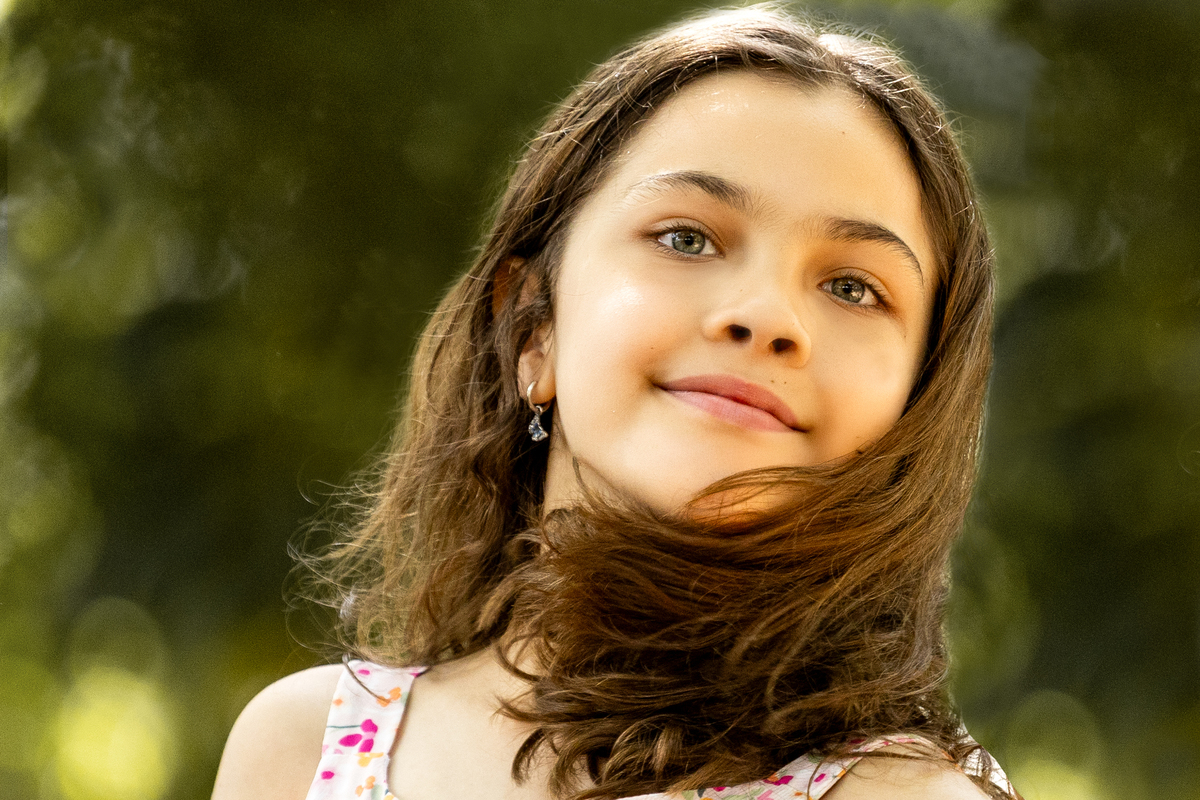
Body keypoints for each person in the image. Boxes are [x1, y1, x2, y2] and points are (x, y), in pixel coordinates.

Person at [212, 6, 1018, 800]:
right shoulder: (299, 748)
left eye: (853, 287)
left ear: (918, 403)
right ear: (535, 328)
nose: (768, 316)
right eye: (686, 238)